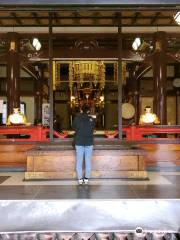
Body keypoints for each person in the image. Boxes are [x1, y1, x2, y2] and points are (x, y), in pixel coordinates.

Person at [72, 104, 95, 185]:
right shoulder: (91, 119)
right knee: (88, 161)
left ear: (81, 110)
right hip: (89, 142)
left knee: (79, 161)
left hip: (79, 142)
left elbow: (73, 127)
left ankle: (80, 179)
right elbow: (92, 129)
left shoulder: (77, 119)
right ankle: (86, 178)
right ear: (88, 111)